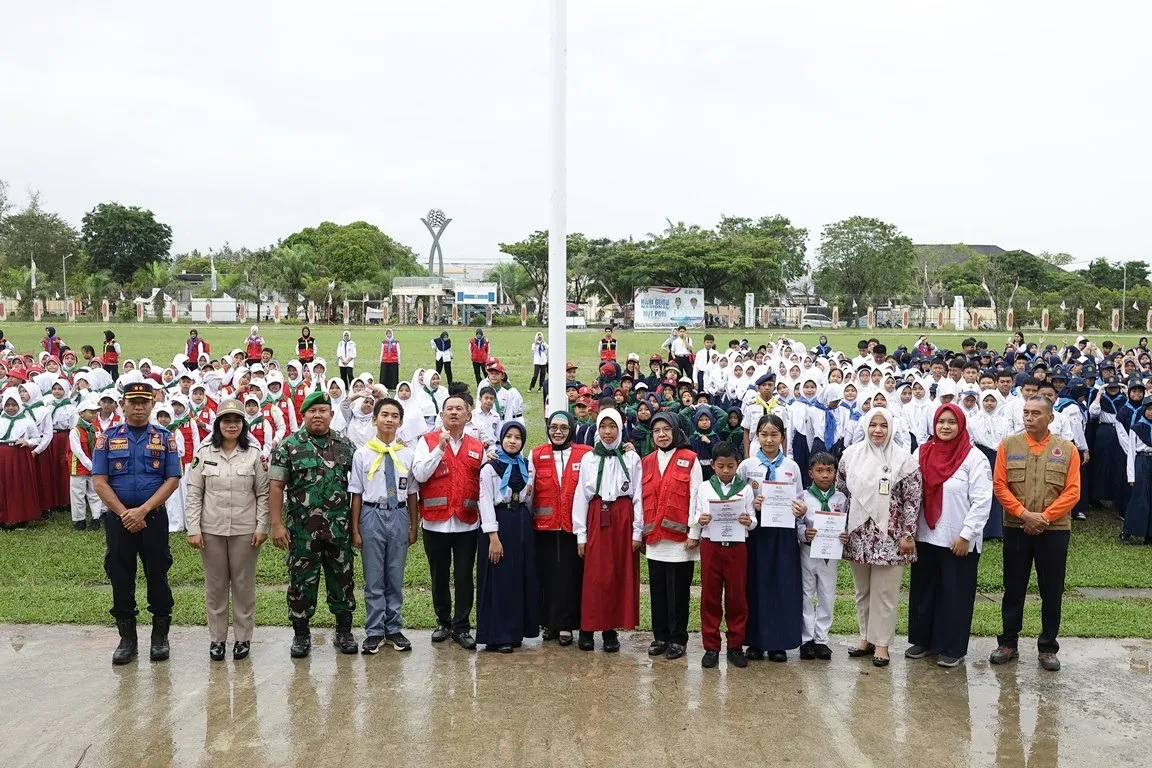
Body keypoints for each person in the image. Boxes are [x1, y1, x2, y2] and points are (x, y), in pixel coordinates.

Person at [92, 381, 182, 665]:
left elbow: (172, 479)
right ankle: (127, 639)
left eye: (145, 402)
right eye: (133, 402)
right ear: (123, 405)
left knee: (158, 572)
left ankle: (159, 636)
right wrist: (125, 513)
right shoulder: (106, 438)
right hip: (119, 521)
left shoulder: (165, 437)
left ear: (152, 404)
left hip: (152, 518)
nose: (139, 407)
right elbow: (99, 481)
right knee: (120, 574)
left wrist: (142, 511)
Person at [990, 396, 1080, 672]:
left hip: (1054, 531)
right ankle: (1008, 643)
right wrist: (1024, 514)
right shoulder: (1008, 445)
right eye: (1026, 413)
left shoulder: (1067, 450)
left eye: (1036, 413)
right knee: (1013, 587)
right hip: (1017, 527)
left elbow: (1073, 491)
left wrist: (1044, 517)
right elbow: (1000, 486)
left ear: (1050, 418)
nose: (1029, 418)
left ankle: (1048, 647)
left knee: (1051, 590)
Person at [269, 389, 359, 658]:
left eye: (323, 411)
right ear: (303, 415)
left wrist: (356, 527)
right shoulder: (288, 446)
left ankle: (343, 631)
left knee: (342, 579)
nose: (318, 415)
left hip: (339, 530)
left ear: (331, 415)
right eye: (312, 411)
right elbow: (276, 487)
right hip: (302, 532)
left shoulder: (346, 445)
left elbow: (358, 488)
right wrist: (277, 524)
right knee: (301, 582)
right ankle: (301, 635)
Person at [907, 403, 992, 668]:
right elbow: (909, 493)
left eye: (951, 422)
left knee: (955, 594)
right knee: (924, 591)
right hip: (925, 535)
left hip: (958, 540)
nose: (945, 427)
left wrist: (967, 535)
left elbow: (982, 501)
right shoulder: (921, 452)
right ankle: (923, 640)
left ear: (961, 425)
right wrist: (908, 532)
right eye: (941, 422)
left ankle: (952, 647)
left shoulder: (973, 457)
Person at [184, 398, 270, 662]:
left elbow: (263, 494)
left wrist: (262, 525)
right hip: (211, 530)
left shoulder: (253, 454)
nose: (231, 425)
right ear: (218, 423)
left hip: (245, 530)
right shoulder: (204, 452)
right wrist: (193, 528)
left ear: (243, 425)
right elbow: (194, 492)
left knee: (244, 585)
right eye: (226, 420)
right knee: (216, 586)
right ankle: (217, 639)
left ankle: (243, 639)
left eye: (236, 421)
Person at [838, 408, 922, 668]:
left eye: (883, 425)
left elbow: (912, 499)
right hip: (858, 535)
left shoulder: (903, 460)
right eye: (872, 424)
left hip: (891, 536)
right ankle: (865, 638)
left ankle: (882, 644)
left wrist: (908, 534)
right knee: (862, 590)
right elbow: (841, 491)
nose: (877, 430)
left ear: (891, 428)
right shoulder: (850, 456)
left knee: (885, 593)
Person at [411, 394, 484, 650]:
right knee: (439, 575)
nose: (454, 412)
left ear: (468, 415)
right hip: (435, 523)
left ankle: (461, 626)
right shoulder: (427, 441)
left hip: (467, 523)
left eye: (459, 409)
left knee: (464, 576)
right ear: (441, 415)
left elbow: (484, 485)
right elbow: (419, 474)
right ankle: (443, 622)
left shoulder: (477, 446)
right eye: (449, 409)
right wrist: (439, 449)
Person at [349, 397, 418, 654]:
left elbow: (412, 493)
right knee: (374, 576)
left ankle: (394, 628)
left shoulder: (407, 454)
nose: (389, 419)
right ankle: (375, 630)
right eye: (384, 415)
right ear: (375, 418)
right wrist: (355, 529)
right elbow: (356, 493)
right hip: (371, 515)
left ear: (400, 422)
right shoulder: (363, 454)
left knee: (395, 574)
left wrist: (413, 526)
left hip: (398, 515)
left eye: (394, 416)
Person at [572, 409, 643, 652]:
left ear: (620, 429)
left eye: (613, 426)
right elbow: (581, 495)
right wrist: (580, 533)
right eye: (603, 427)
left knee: (617, 574)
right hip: (596, 515)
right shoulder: (589, 459)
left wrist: (637, 531)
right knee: (595, 575)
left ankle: (610, 629)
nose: (608, 432)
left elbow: (638, 496)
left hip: (623, 517)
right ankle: (588, 627)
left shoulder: (632, 459)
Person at [739, 413, 804, 661]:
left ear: (783, 437)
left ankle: (778, 642)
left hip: (783, 534)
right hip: (756, 534)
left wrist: (799, 508)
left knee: (781, 584)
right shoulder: (748, 466)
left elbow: (798, 497)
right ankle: (754, 641)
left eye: (774, 434)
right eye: (764, 434)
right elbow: (738, 500)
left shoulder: (791, 467)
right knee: (755, 584)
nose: (769, 440)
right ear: (757, 436)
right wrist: (750, 504)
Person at [688, 440, 756, 669]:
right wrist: (701, 520)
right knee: (710, 597)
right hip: (711, 546)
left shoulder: (745, 489)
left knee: (737, 597)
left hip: (737, 547)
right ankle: (711, 647)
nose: (726, 471)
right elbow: (697, 514)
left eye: (730, 466)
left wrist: (749, 521)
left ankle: (736, 646)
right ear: (713, 466)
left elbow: (753, 520)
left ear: (737, 465)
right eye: (721, 466)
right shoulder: (705, 488)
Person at [640, 412, 701, 661]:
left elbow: (696, 496)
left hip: (680, 540)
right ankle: (660, 636)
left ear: (676, 431)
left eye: (666, 429)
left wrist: (694, 531)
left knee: (678, 592)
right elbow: (638, 499)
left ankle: (678, 638)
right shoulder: (646, 461)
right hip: (654, 538)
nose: (662, 435)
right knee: (658, 590)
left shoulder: (690, 459)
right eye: (657, 431)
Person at [476, 422, 539, 652]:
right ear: (501, 439)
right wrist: (493, 536)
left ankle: (516, 631)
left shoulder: (526, 466)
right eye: (508, 436)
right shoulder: (490, 467)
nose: (513, 441)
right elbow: (485, 501)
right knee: (499, 579)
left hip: (520, 523)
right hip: (498, 525)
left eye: (518, 438)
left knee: (518, 578)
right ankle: (498, 634)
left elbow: (529, 498)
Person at [529, 410, 590, 646]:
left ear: (571, 429)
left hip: (572, 528)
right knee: (547, 576)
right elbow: (528, 490)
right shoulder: (536, 454)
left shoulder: (585, 454)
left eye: (563, 428)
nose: (558, 432)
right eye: (554, 427)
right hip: (544, 527)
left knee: (569, 576)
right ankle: (549, 624)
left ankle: (566, 625)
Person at [797, 452, 847, 661]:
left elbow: (845, 524)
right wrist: (803, 534)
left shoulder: (841, 498)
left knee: (827, 595)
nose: (825, 475)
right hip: (808, 552)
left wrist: (845, 535)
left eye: (829, 470)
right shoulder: (803, 498)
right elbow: (798, 524)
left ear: (835, 473)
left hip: (830, 555)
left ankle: (822, 640)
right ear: (811, 473)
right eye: (819, 471)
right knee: (807, 595)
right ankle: (806, 639)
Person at [0, 387, 42, 530]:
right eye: (7, 405)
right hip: (2, 455)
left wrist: (27, 442)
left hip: (19, 455)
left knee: (19, 485)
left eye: (14, 405)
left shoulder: (26, 421)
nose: (10, 408)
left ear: (19, 405)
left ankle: (21, 517)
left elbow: (37, 438)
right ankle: (3, 517)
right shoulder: (1, 420)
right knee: (3, 485)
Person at [68, 398, 104, 531]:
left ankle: (95, 518)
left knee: (94, 492)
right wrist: (90, 465)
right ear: (82, 413)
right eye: (91, 412)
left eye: (95, 413)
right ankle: (79, 520)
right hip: (78, 466)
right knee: (78, 493)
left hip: (93, 465)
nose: (94, 415)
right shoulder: (75, 431)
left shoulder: (95, 429)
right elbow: (77, 451)